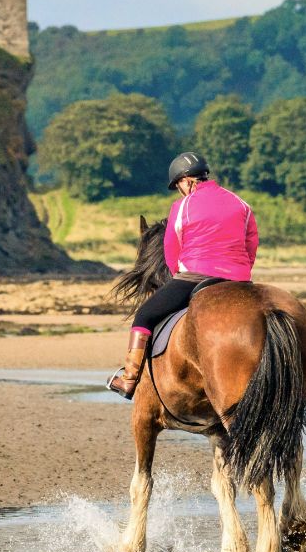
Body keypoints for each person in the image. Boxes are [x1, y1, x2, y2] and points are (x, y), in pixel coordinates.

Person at [108, 151, 259, 398]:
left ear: (187, 181)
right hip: (239, 279)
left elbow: (171, 250)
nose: (179, 189)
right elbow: (251, 242)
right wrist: (241, 271)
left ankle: (128, 380)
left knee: (144, 316)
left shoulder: (182, 206)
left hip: (195, 276)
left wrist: (180, 274)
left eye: (178, 184)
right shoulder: (241, 203)